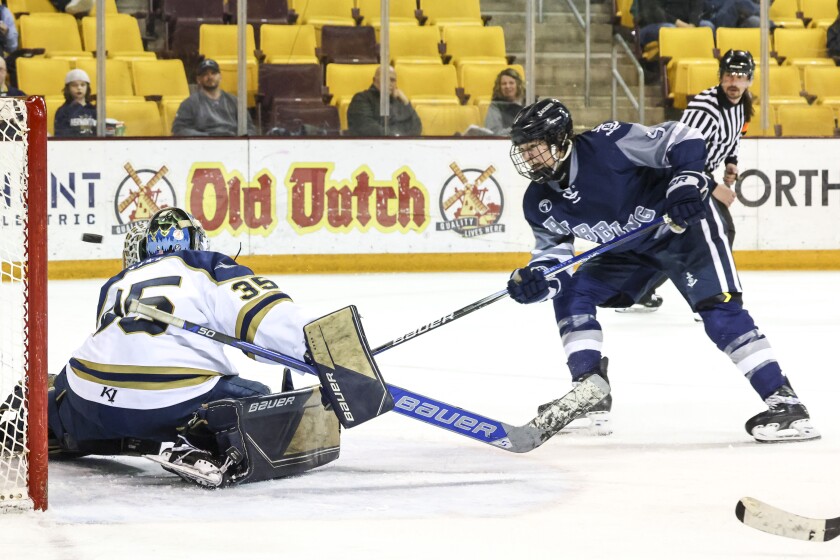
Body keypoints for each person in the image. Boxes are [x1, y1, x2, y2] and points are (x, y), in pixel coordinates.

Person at [504, 98, 819, 443]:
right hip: (630, 250)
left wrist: (684, 181)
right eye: (523, 149)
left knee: (719, 311)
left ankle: (787, 404)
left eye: (535, 147)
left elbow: (683, 136)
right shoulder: (538, 201)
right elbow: (553, 259)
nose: (529, 158)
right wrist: (539, 282)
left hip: (685, 231)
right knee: (573, 292)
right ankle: (589, 393)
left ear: (561, 140)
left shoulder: (609, 142)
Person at [48, 208, 388, 487]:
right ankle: (202, 442)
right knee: (260, 398)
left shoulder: (116, 282)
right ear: (196, 241)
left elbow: (123, 346)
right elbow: (267, 316)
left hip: (89, 399)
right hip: (171, 402)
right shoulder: (206, 265)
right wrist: (330, 354)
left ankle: (43, 420)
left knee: (66, 392)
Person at [624, 50, 753, 312]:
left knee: (676, 239)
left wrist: (731, 161)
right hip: (677, 177)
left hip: (699, 178)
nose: (734, 82)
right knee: (720, 232)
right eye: (729, 75)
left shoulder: (742, 103)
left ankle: (638, 290)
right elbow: (680, 152)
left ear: (749, 80)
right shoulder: (705, 108)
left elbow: (735, 136)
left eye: (740, 77)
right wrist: (714, 186)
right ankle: (709, 295)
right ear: (720, 76)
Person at [171, 58, 256, 137]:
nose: (210, 77)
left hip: (233, 145)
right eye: (205, 74)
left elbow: (250, 128)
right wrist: (207, 137)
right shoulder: (189, 103)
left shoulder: (234, 101)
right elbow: (179, 130)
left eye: (213, 73)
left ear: (220, 76)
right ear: (198, 79)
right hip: (203, 147)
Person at [346, 64, 422, 137]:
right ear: (374, 80)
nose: (388, 83)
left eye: (392, 80)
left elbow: (416, 128)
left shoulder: (399, 101)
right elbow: (368, 129)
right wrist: (398, 135)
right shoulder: (361, 99)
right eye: (384, 78)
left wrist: (406, 102)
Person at [636, 0, 715, 49]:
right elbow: (655, 11)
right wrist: (681, 25)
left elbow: (697, 7)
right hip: (654, 25)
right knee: (671, 30)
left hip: (686, 25)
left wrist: (692, 24)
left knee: (707, 26)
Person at [54, 68, 97, 137]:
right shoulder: (63, 111)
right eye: (74, 85)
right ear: (68, 88)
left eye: (83, 85)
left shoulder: (93, 110)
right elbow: (61, 136)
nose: (79, 88)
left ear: (87, 87)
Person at [484, 68, 525, 136]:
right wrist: (516, 129)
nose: (507, 86)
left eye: (511, 83)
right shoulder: (495, 106)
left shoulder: (529, 101)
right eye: (504, 84)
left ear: (518, 85)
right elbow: (493, 133)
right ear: (499, 87)